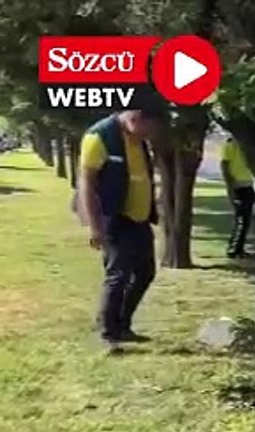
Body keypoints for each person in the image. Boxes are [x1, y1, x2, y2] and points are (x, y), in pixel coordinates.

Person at [76, 102, 165, 354]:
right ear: (136, 118)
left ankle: (122, 324)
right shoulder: (100, 137)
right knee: (118, 275)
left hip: (139, 219)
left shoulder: (136, 138)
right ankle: (107, 333)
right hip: (114, 217)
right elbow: (87, 184)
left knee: (145, 272)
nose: (148, 137)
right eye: (147, 131)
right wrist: (95, 227)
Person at [220, 135, 255, 258]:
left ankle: (239, 248)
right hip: (238, 186)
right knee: (241, 219)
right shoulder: (231, 145)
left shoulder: (246, 145)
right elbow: (224, 165)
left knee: (245, 220)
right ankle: (233, 249)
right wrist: (230, 187)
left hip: (248, 185)